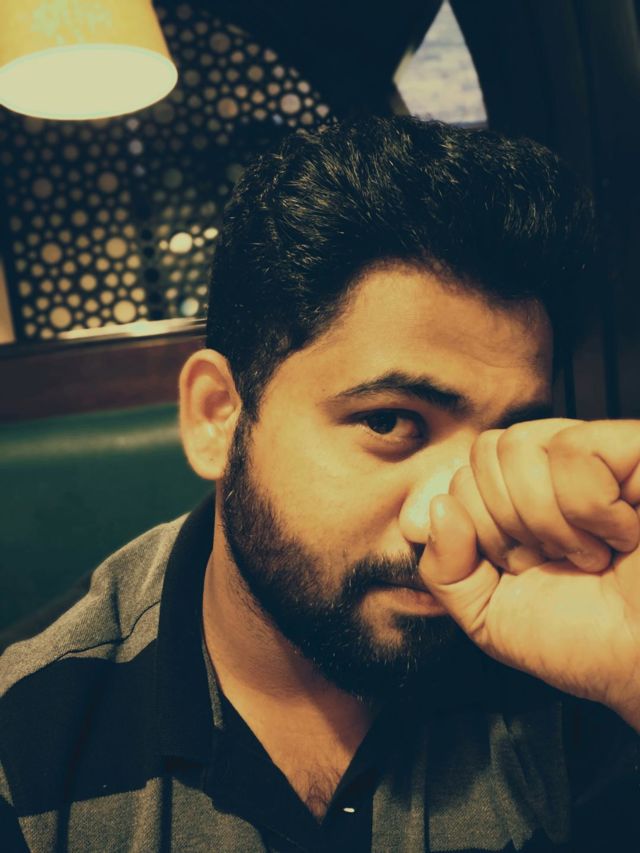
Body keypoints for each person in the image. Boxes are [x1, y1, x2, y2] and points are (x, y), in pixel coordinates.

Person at [1, 116, 639, 853]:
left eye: (503, 442)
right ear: (218, 415)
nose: (451, 523)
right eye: (389, 422)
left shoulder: (568, 655)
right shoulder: (28, 748)